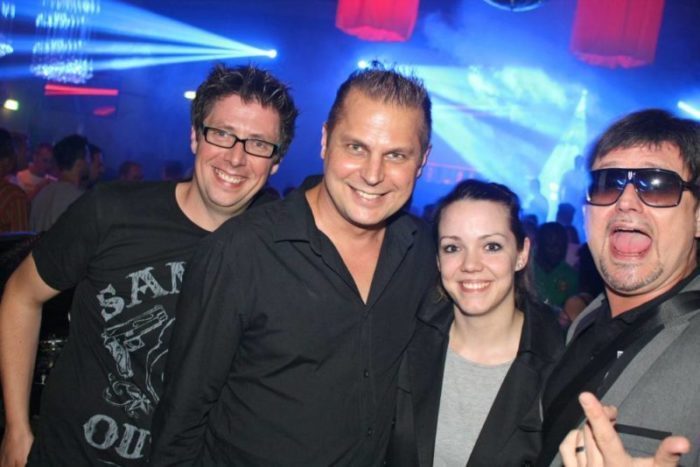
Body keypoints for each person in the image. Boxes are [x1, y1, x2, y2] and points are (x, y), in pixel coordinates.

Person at [0, 63, 298, 466]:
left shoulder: (276, 251)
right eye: (222, 133)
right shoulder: (111, 212)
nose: (236, 157)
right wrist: (16, 428)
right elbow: (21, 295)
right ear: (195, 136)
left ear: (276, 161)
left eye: (258, 144)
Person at [150, 64, 437, 465]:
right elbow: (180, 424)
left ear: (422, 161)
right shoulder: (241, 252)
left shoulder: (424, 253)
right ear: (325, 141)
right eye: (356, 148)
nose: (373, 175)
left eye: (396, 155)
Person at [537, 109, 700, 466]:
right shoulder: (584, 321)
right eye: (608, 183)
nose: (625, 202)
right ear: (586, 212)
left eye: (657, 185)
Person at [386, 179, 564, 467]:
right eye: (452, 248)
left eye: (491, 246)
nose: (470, 265)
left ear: (521, 254)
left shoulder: (559, 364)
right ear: (438, 260)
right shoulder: (406, 340)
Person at [29, 134, 90, 232]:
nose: (89, 163)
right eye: (88, 158)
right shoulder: (79, 200)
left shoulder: (42, 193)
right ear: (79, 163)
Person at [0, 128, 29, 233]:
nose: (27, 155)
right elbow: (19, 241)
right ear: (7, 160)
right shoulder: (14, 196)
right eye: (25, 150)